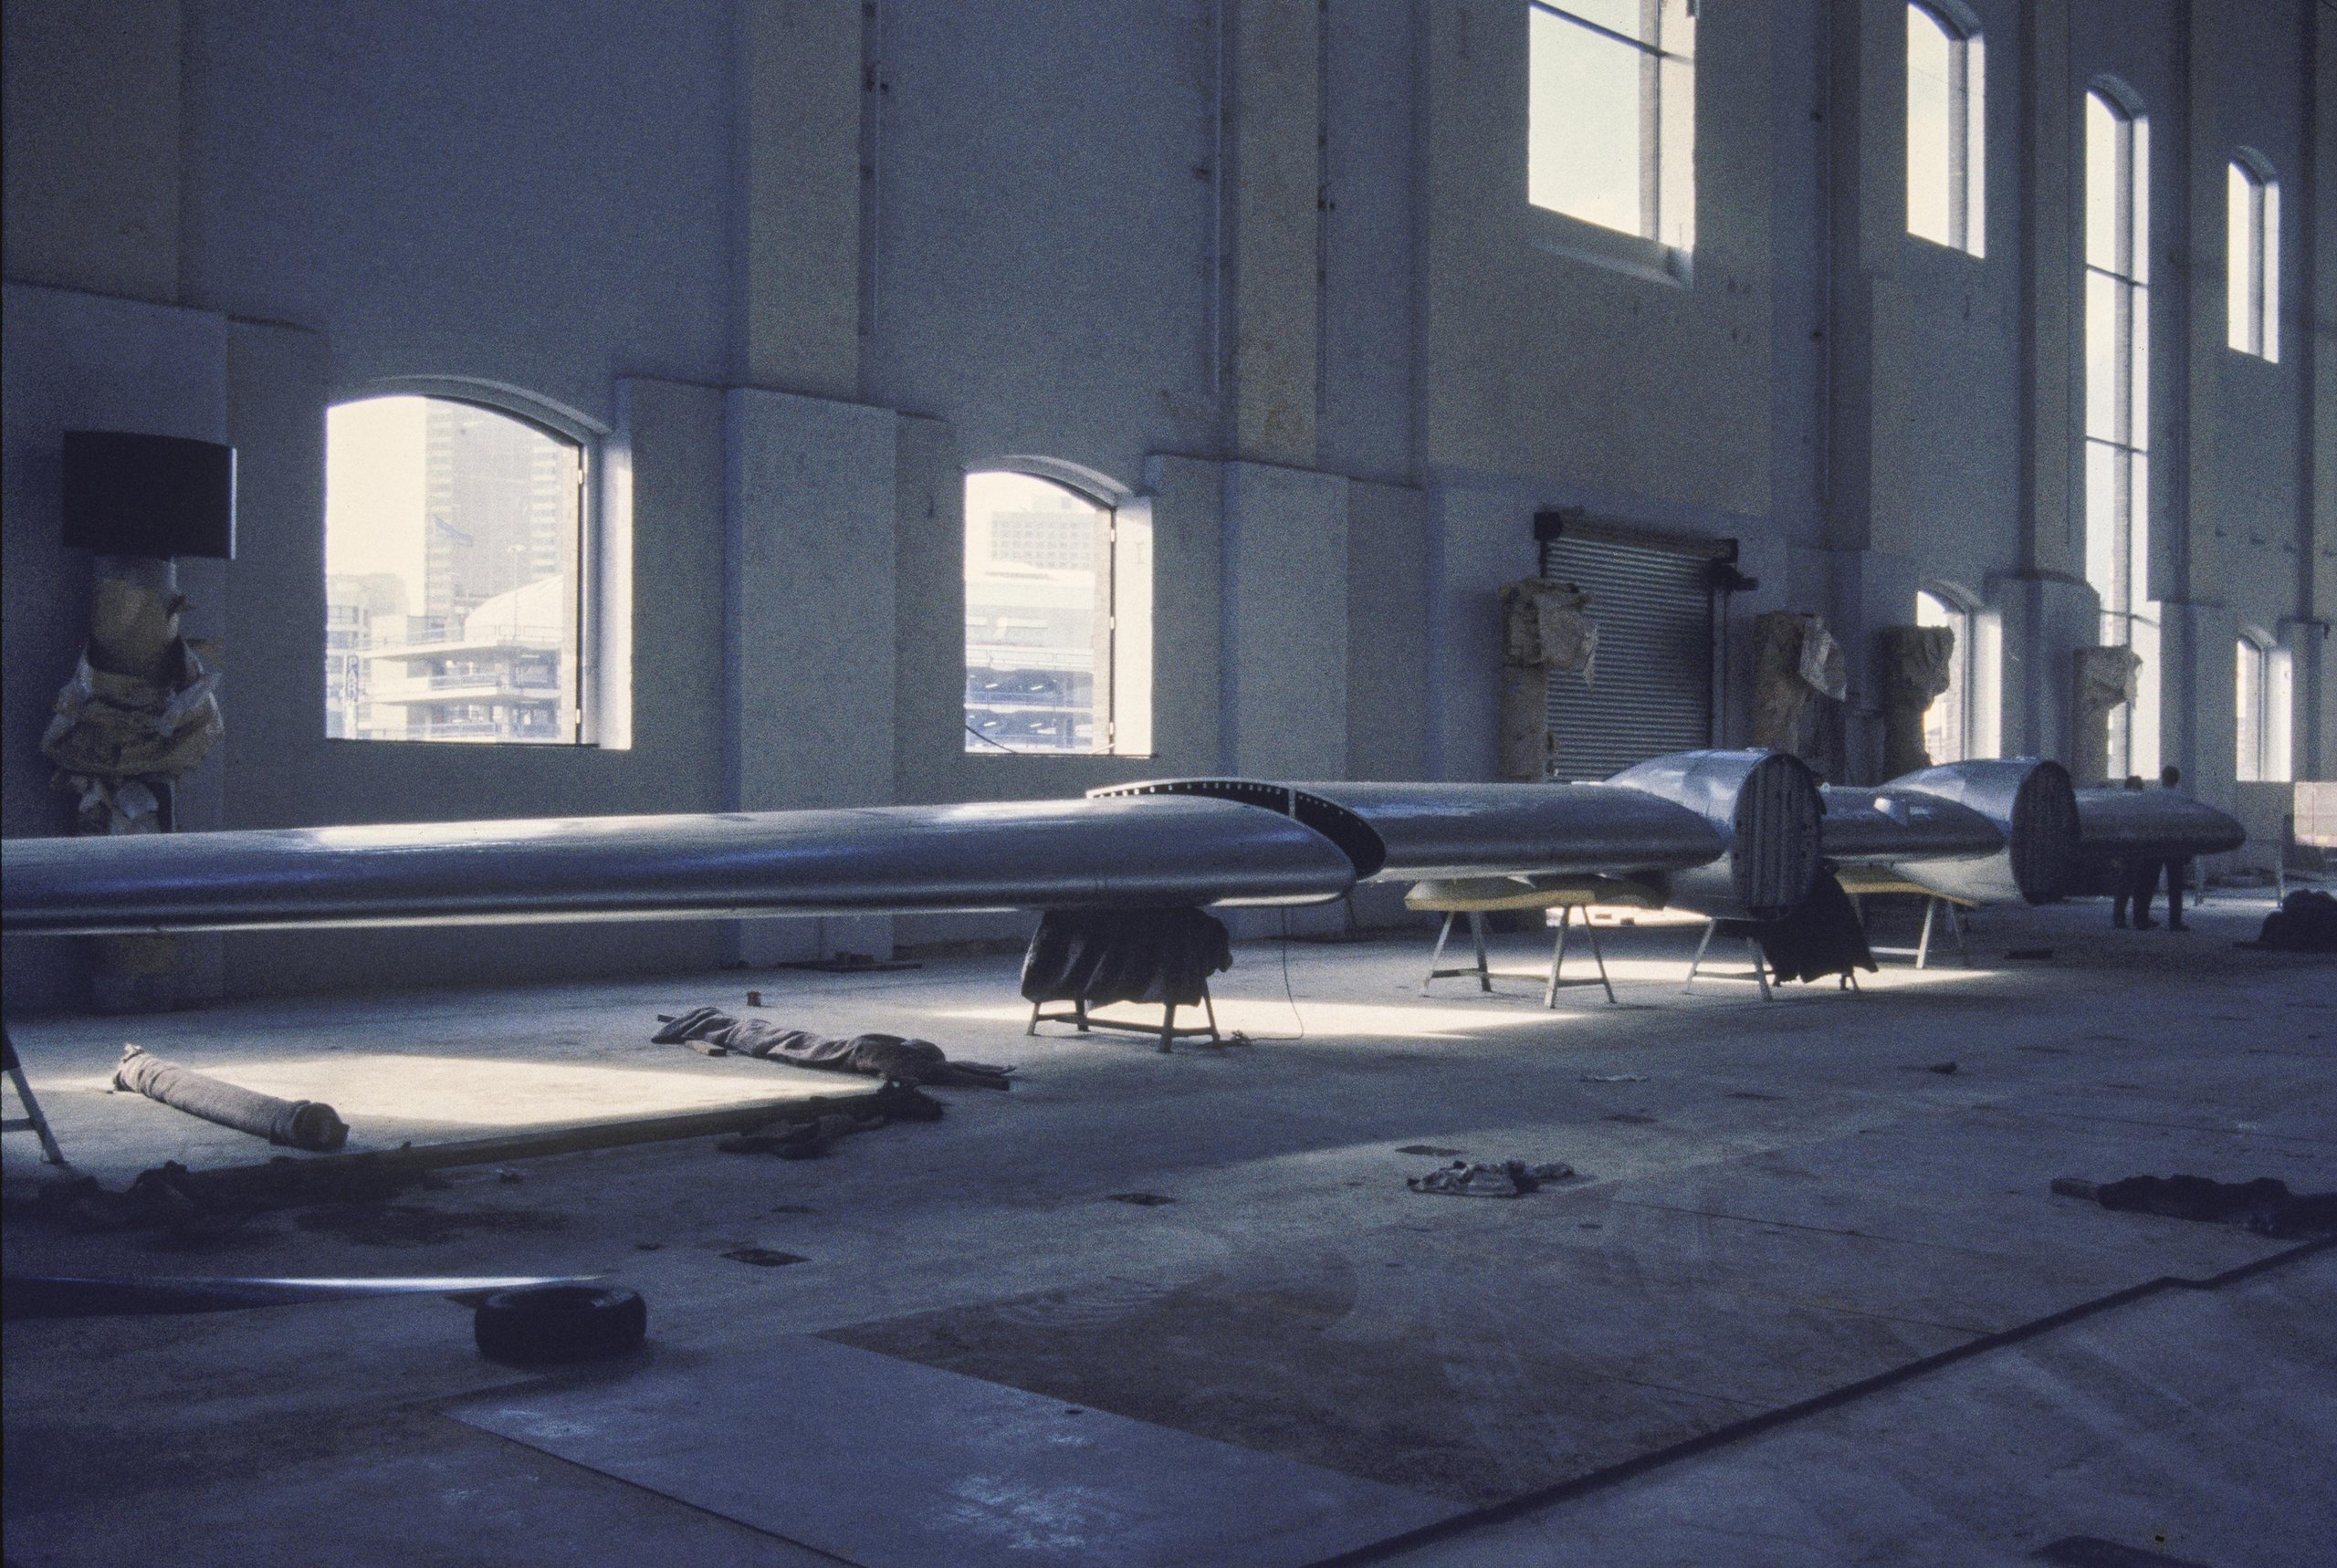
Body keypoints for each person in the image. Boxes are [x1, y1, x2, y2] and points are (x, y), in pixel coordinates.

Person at [2132, 766, 2193, 932]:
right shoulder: (2182, 799)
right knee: (2175, 886)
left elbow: (2145, 819)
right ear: (2177, 779)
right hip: (2175, 844)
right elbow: (2187, 825)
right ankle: (2175, 921)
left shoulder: (2153, 797)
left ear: (2162, 778)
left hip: (2156, 843)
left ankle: (2141, 918)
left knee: (2148, 882)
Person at [2110, 776, 2148, 929]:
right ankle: (2119, 916)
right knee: (2125, 884)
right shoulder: (2123, 806)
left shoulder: (2140, 806)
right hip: (2127, 847)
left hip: (2138, 847)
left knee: (2139, 885)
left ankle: (2139, 917)